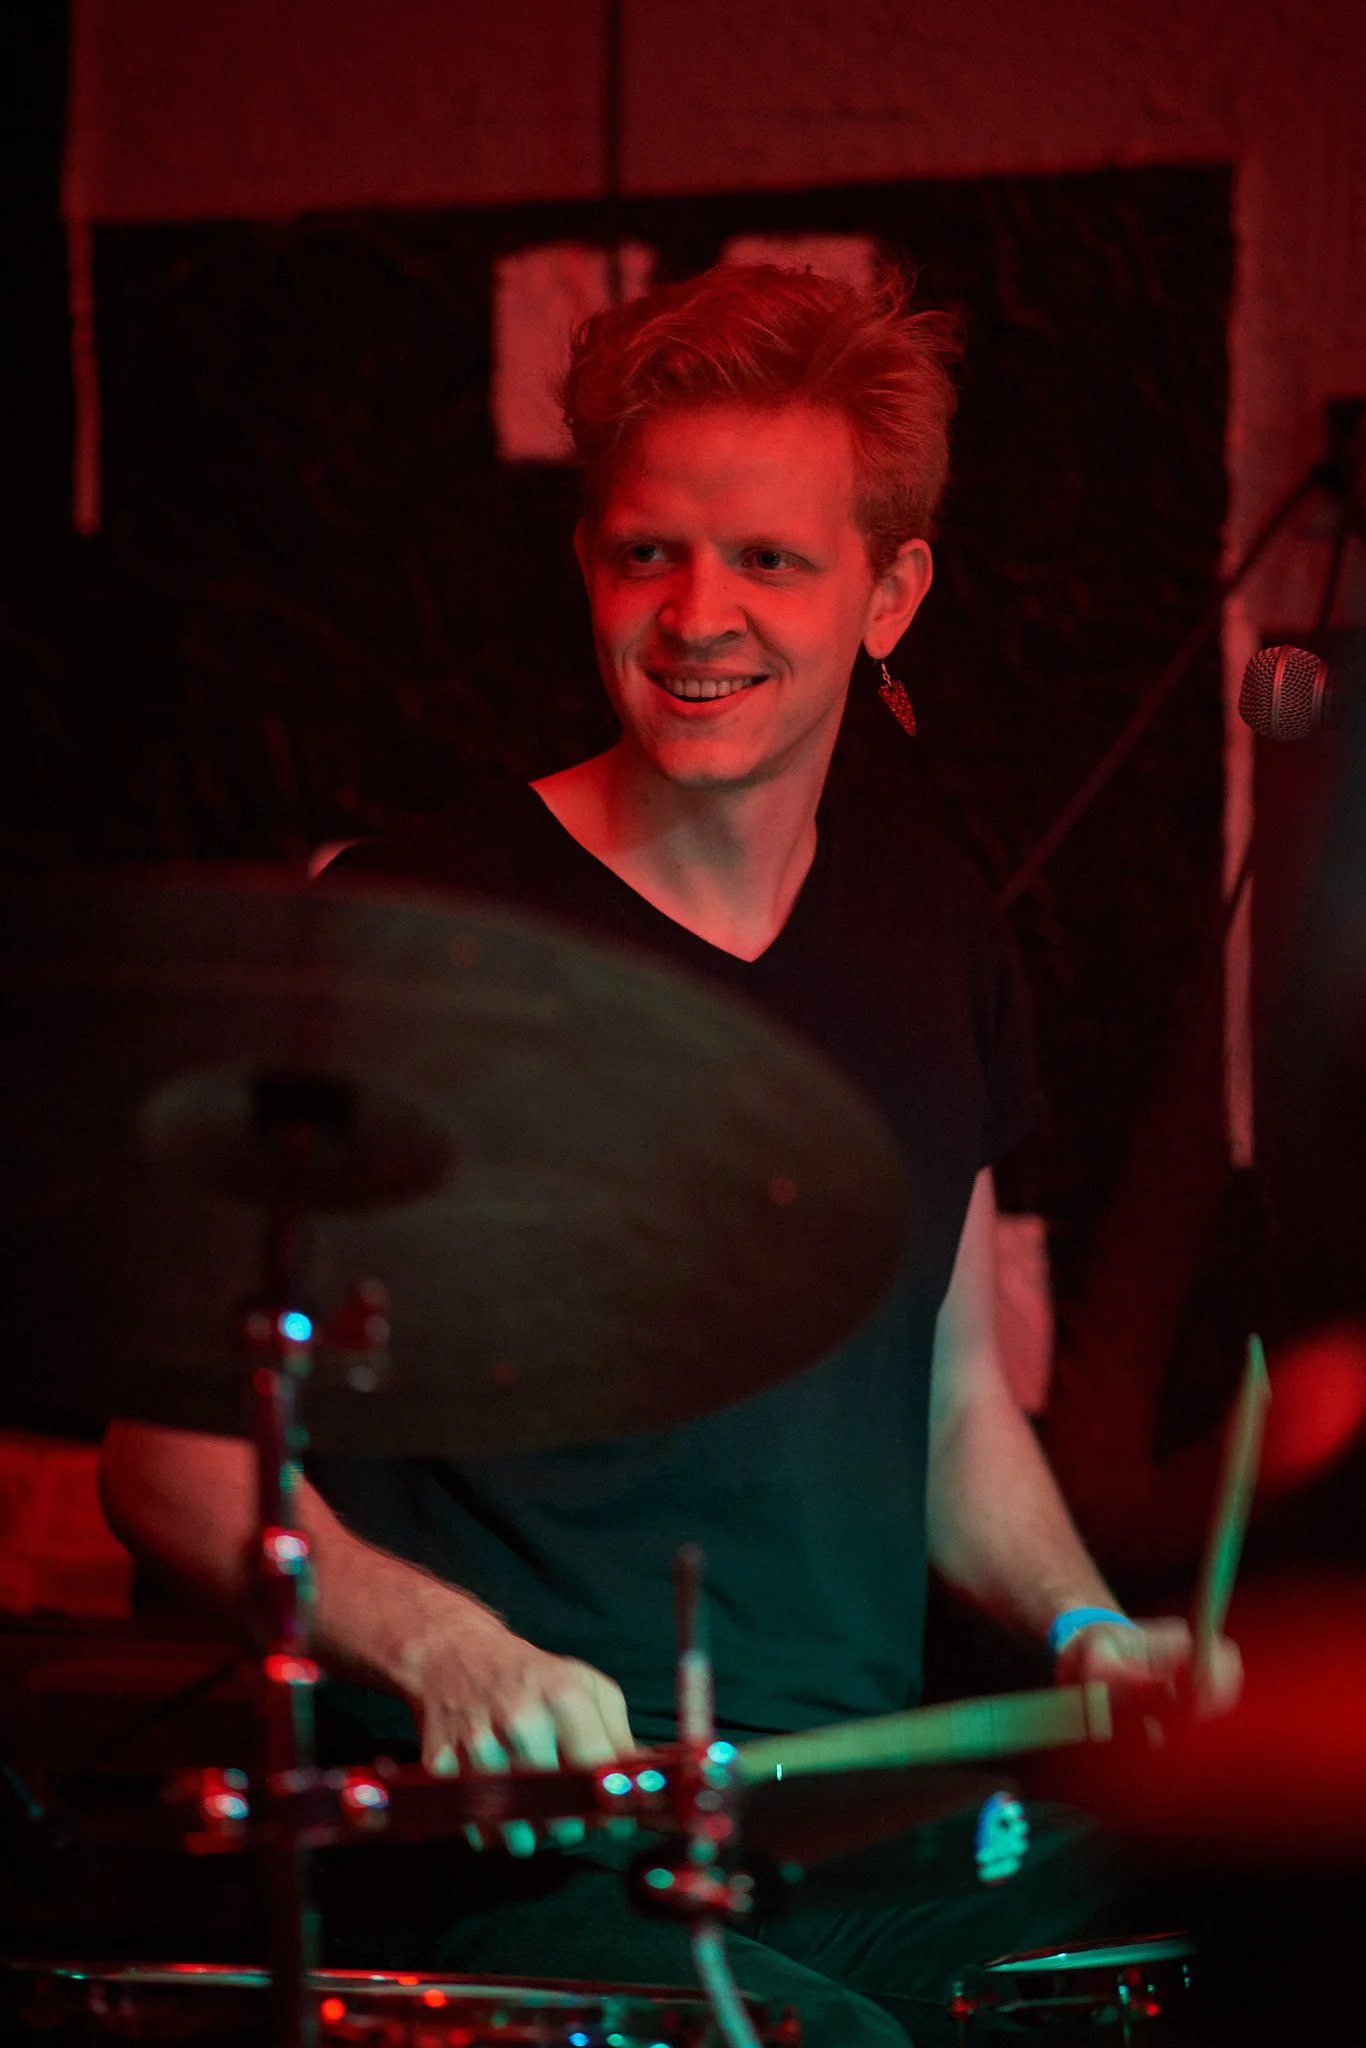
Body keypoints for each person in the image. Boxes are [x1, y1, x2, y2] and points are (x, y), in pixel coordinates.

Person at [100, 263, 1240, 2046]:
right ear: (589, 563)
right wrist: (444, 1648)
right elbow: (166, 1459)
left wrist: (1088, 1631)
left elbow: (951, 1413)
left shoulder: (935, 933)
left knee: (1274, 1911)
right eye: (649, 553)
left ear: (890, 593)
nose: (698, 615)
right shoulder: (396, 930)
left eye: (769, 559)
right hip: (510, 1838)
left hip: (845, 1824)